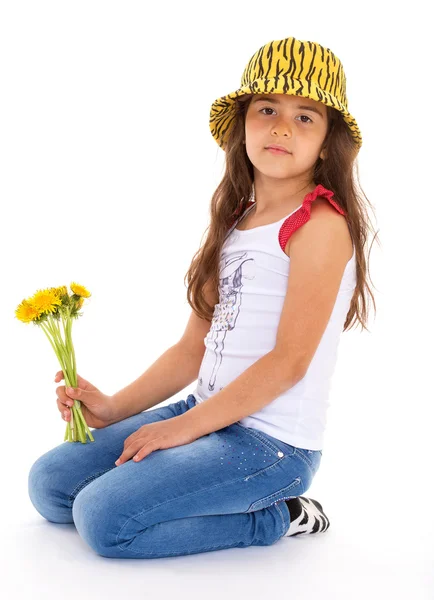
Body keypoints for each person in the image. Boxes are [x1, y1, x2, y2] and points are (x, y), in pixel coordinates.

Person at [28, 36, 376, 559]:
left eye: (305, 117)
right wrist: (113, 408)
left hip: (269, 445)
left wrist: (178, 430)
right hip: (207, 410)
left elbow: (288, 363)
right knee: (52, 485)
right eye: (267, 109)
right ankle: (189, 485)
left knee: (103, 520)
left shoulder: (320, 226)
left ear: (328, 143)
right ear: (243, 125)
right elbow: (194, 347)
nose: (282, 126)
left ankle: (279, 517)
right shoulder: (236, 220)